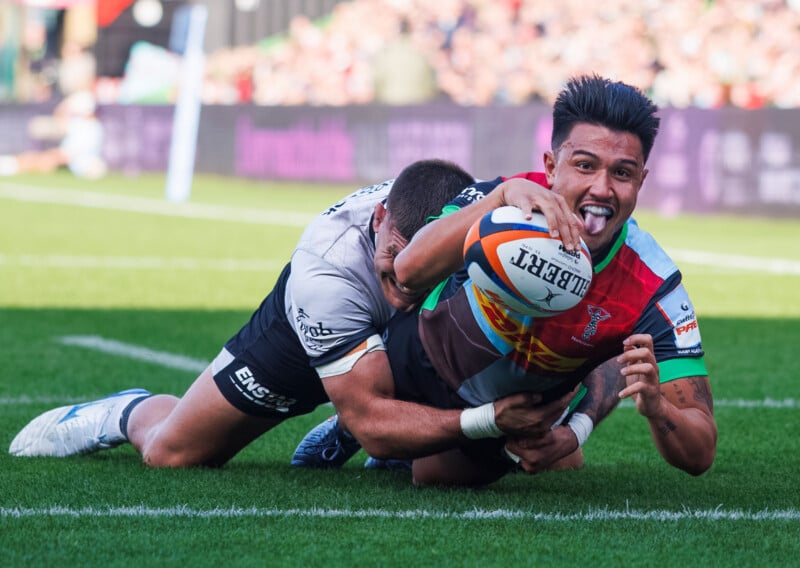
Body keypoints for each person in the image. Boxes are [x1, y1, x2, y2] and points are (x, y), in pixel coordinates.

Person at [9, 158, 581, 466]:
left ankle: (358, 415)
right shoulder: (325, 275)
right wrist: (483, 422)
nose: (404, 282)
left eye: (420, 262)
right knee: (173, 454)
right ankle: (123, 412)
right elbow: (376, 423)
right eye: (392, 261)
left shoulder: (483, 219)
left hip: (403, 340)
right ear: (380, 218)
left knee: (555, 460)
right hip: (309, 331)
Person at [295, 75, 717, 487]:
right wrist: (496, 200)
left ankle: (412, 446)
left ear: (642, 180)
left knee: (442, 476)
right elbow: (407, 270)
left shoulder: (654, 283)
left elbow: (700, 454)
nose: (601, 189)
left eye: (622, 174)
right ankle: (368, 425)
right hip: (418, 355)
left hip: (511, 406)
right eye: (585, 166)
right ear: (551, 166)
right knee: (406, 440)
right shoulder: (505, 199)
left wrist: (656, 406)